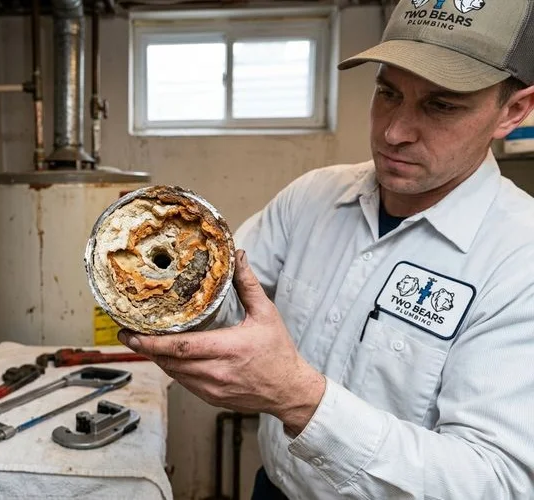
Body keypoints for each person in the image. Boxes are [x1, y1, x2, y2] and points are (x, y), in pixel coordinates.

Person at [117, 0, 534, 498]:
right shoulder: (313, 197)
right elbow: (227, 303)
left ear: (513, 110)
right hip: (273, 487)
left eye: (441, 105)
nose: (394, 132)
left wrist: (298, 400)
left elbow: (497, 480)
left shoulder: (518, 258)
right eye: (387, 92)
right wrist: (177, 272)